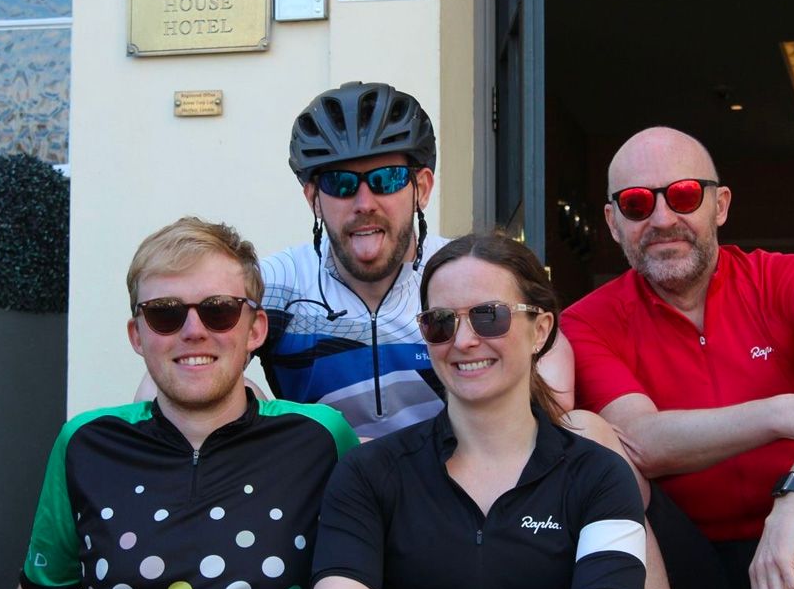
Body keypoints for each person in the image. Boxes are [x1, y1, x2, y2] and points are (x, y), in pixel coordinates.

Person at [561, 127, 794, 589]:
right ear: (613, 223)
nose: (662, 219)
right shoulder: (585, 321)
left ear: (720, 205)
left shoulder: (793, 276)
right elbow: (641, 441)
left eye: (684, 195)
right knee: (587, 433)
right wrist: (786, 412)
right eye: (637, 204)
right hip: (680, 565)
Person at [0, 218, 358, 589]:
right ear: (137, 335)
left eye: (219, 310)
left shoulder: (320, 437)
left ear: (255, 329)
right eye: (165, 314)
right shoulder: (86, 443)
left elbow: (368, 576)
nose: (193, 331)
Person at [138, 81, 574, 437]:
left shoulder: (463, 276)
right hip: (322, 491)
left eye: (387, 179)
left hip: (449, 483)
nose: (364, 203)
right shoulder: (277, 284)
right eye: (340, 184)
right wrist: (265, 424)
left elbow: (552, 394)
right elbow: (163, 389)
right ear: (314, 198)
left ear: (421, 188)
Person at [310, 233, 646, 589]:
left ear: (540, 330)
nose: (464, 341)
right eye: (441, 322)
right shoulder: (369, 471)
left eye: (489, 316)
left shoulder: (600, 475)